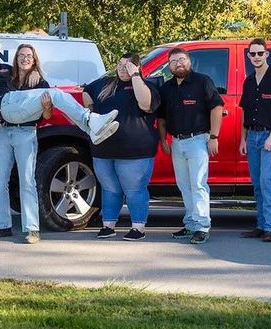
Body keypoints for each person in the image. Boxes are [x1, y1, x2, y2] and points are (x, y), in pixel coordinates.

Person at [83, 53, 161, 241]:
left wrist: (135, 76)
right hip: (103, 148)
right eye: (120, 64)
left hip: (136, 150)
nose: (122, 68)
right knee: (109, 188)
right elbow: (86, 90)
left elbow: (145, 103)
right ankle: (108, 225)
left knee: (134, 189)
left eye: (128, 65)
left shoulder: (147, 86)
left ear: (137, 67)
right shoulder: (105, 85)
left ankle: (138, 228)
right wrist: (92, 112)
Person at [0, 43, 51, 244]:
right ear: (16, 59)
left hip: (26, 132)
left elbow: (46, 116)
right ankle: (2, 226)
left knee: (27, 181)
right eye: (21, 55)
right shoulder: (6, 79)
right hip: (4, 131)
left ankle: (32, 229)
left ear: (34, 59)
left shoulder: (40, 83)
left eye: (29, 56)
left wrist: (46, 107)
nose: (25, 59)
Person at [157, 47, 224, 245]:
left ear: (189, 62)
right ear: (169, 66)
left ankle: (202, 227)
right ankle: (191, 224)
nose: (179, 63)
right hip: (176, 142)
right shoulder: (166, 89)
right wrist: (163, 140)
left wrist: (214, 136)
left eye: (182, 59)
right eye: (174, 61)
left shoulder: (203, 82)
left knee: (198, 184)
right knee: (184, 186)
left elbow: (217, 107)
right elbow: (161, 118)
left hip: (198, 140)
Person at [238, 38, 271, 242]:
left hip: (269, 135)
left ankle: (270, 228)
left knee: (267, 182)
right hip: (252, 136)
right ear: (249, 56)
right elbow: (245, 112)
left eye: (260, 53)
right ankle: (260, 225)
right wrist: (243, 139)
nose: (257, 57)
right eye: (253, 54)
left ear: (267, 54)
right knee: (257, 183)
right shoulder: (248, 81)